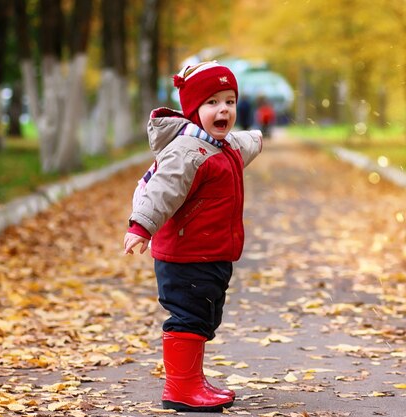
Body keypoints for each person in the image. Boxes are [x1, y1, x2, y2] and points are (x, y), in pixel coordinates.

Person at [123, 61, 262, 412]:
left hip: (210, 255)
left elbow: (241, 144)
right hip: (185, 257)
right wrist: (141, 227)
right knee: (188, 317)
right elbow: (161, 190)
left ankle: (191, 380)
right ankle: (181, 388)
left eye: (230, 101)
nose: (224, 109)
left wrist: (257, 139)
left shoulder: (221, 146)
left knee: (203, 317)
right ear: (194, 110)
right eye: (212, 102)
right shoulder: (187, 152)